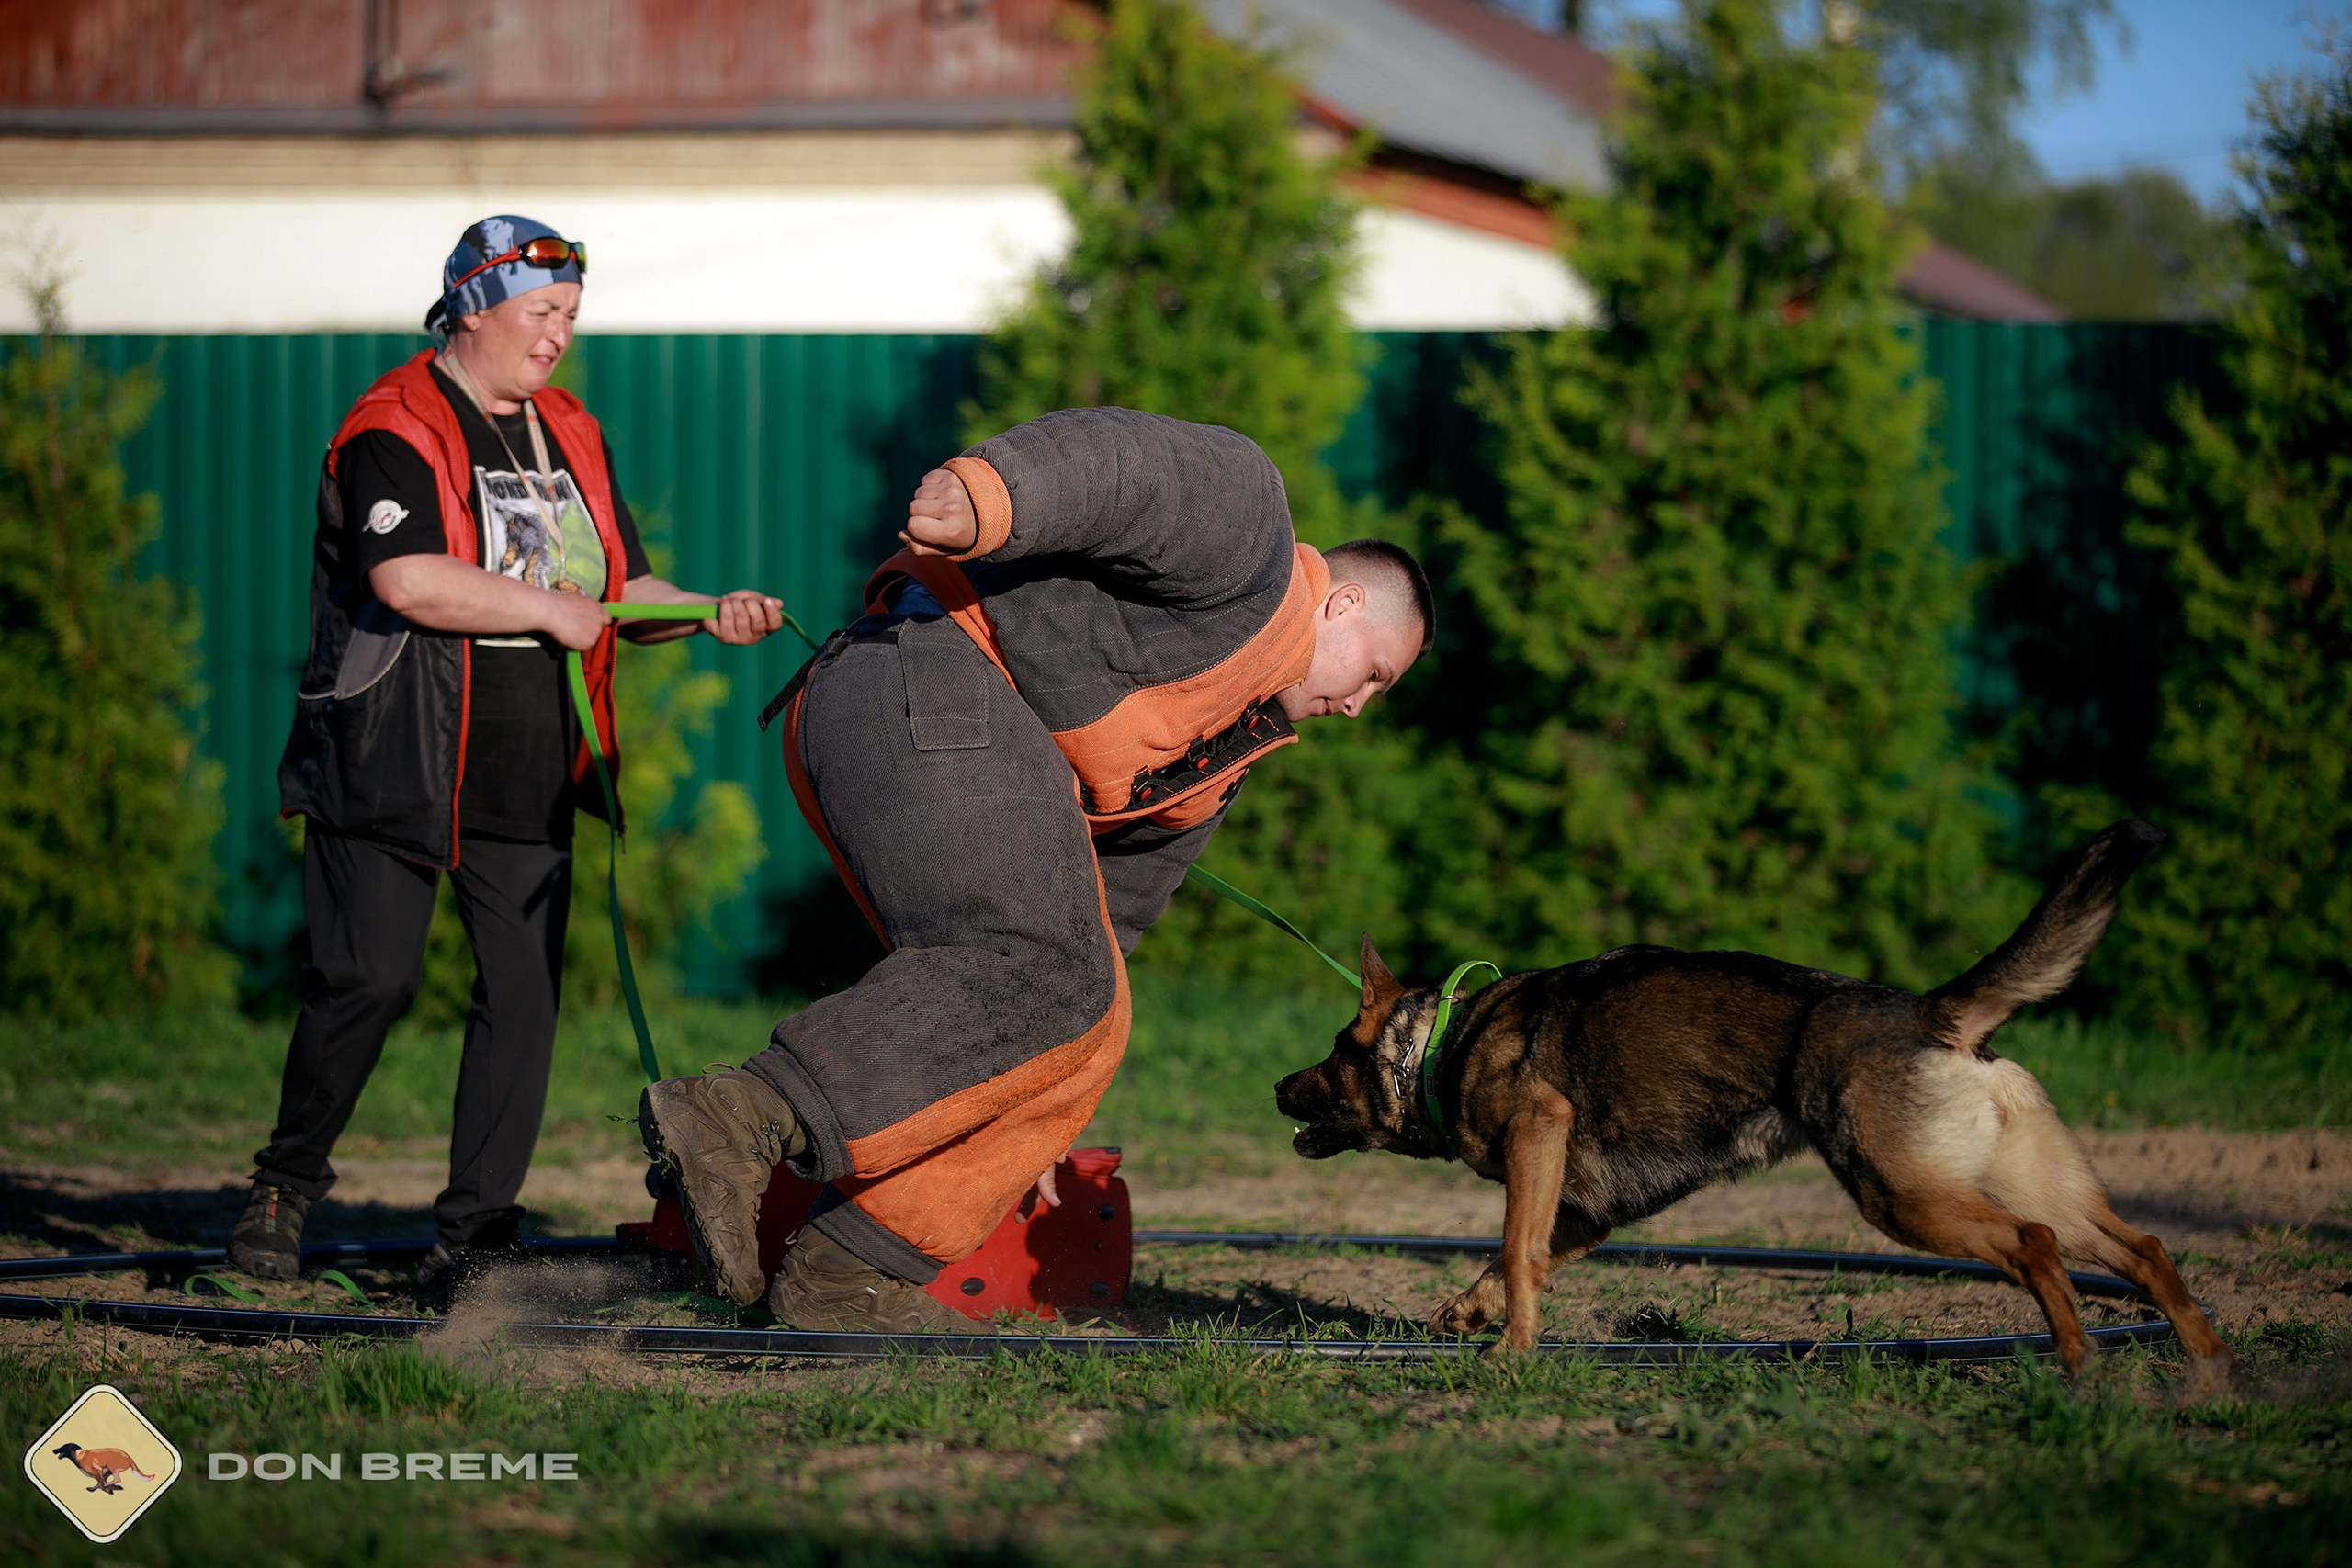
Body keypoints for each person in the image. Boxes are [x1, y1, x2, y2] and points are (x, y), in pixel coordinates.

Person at [639, 406, 1431, 1331]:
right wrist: (989, 494)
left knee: (1092, 1013)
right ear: (1342, 605)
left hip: (949, 732)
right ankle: (736, 1118)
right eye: (1375, 675)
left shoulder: (1224, 756)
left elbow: (1107, 928)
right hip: (924, 673)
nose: (1358, 707)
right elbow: (1128, 469)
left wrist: (1033, 1084)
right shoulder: (1250, 532)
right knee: (1048, 965)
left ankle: (850, 1275)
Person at [229, 215, 785, 1293]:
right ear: (472, 309)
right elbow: (406, 579)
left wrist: (706, 610)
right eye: (541, 313)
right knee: (367, 982)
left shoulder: (569, 430)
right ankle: (282, 1188)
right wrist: (546, 607)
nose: (558, 336)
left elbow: (621, 588)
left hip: (533, 768)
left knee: (522, 999)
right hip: (393, 759)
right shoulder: (391, 424)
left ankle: (475, 1235)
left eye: (570, 315)